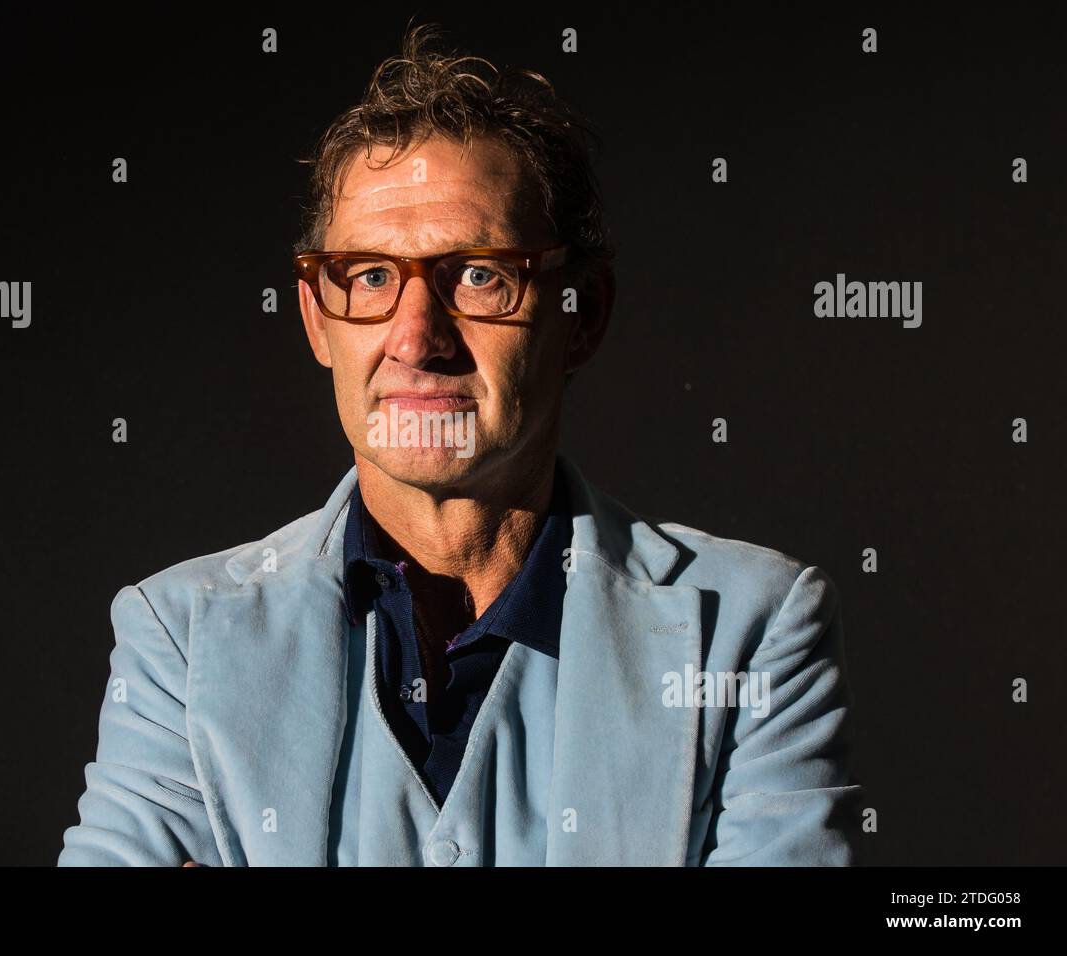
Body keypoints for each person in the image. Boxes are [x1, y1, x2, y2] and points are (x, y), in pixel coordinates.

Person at [58, 23, 861, 867]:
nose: (416, 336)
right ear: (317, 321)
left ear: (580, 313)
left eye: (479, 274)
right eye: (369, 276)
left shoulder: (753, 628)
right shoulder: (179, 638)